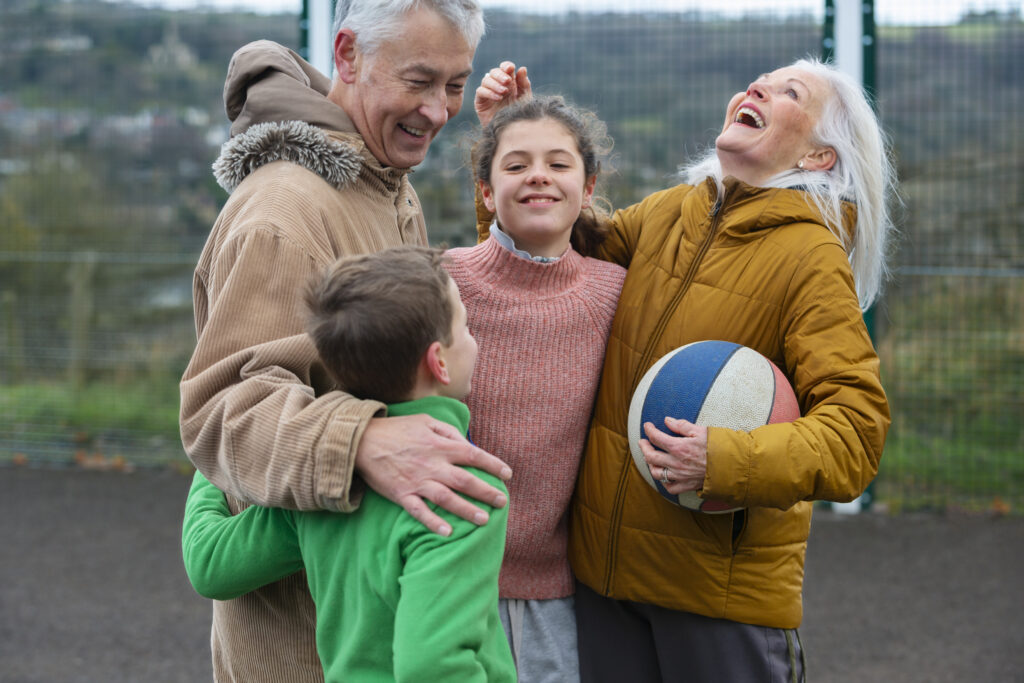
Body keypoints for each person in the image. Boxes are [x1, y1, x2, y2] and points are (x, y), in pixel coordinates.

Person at [475, 58, 896, 682]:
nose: (757, 88)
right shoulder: (669, 213)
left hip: (715, 601)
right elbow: (545, 254)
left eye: (790, 93)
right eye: (760, 80)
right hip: (605, 583)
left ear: (816, 158)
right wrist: (520, 142)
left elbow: (856, 435)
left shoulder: (810, 257)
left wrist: (724, 461)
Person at [178, 2, 512, 681]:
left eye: (455, 84)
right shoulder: (284, 214)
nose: (441, 109)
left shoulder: (387, 183)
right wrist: (359, 441)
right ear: (349, 54)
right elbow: (222, 412)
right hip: (301, 649)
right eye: (419, 80)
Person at [182, 246, 516, 683]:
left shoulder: (321, 489)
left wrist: (219, 458)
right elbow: (432, 666)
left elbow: (211, 563)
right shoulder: (461, 490)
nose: (473, 339)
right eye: (466, 327)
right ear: (438, 362)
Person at [447, 95, 625, 682]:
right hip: (443, 580)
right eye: (516, 165)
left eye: (559, 163)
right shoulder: (439, 282)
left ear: (589, 184)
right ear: (485, 190)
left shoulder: (616, 294)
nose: (539, 176)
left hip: (561, 596)